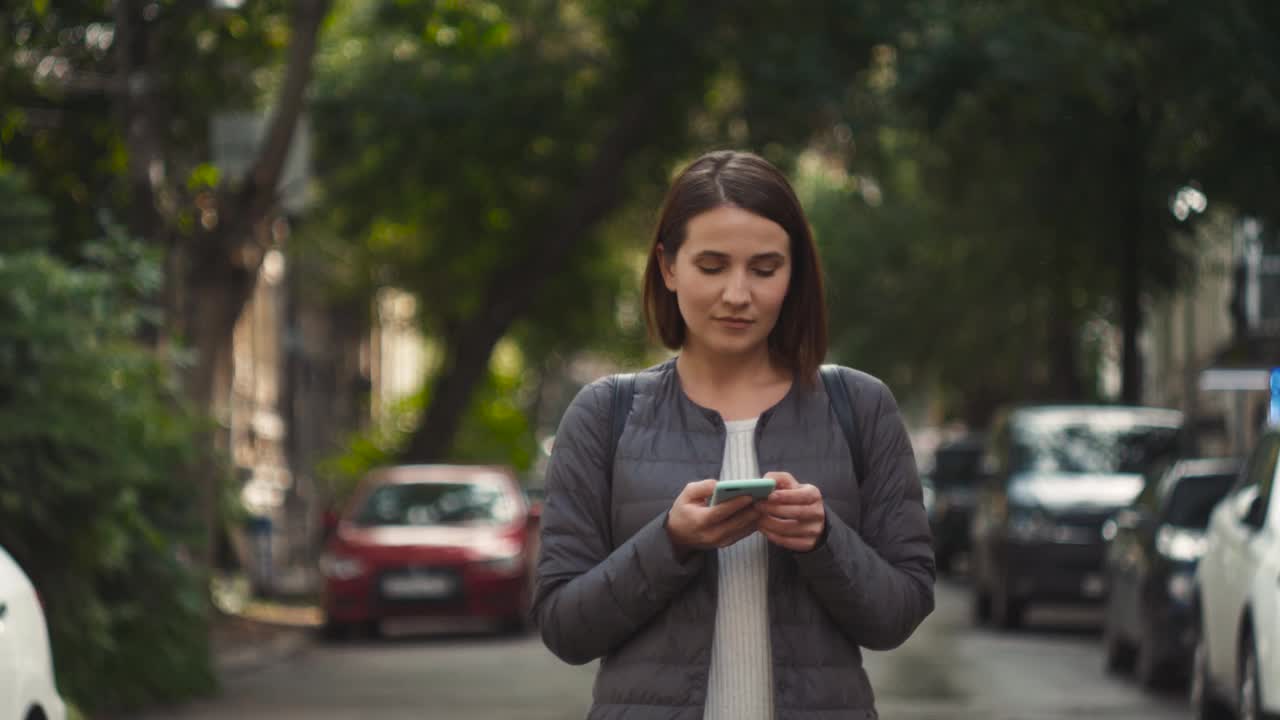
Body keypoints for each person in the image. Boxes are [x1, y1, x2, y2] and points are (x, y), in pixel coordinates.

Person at [532, 150, 935, 720]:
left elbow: (901, 612)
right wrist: (670, 541)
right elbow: (563, 627)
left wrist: (825, 539)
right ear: (669, 267)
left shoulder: (859, 406)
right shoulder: (606, 412)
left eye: (765, 269)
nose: (738, 294)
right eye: (713, 266)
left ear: (794, 274)